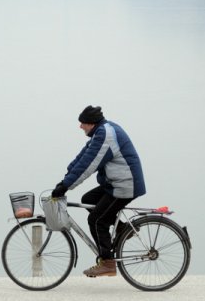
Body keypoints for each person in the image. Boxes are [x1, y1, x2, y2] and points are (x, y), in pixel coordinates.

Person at [51, 105, 146, 277]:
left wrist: (66, 186)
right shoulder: (102, 131)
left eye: (82, 123)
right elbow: (82, 157)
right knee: (89, 199)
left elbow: (89, 164)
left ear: (91, 123)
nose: (80, 127)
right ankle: (124, 229)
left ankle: (107, 263)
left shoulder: (105, 135)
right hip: (116, 182)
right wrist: (64, 179)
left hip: (125, 185)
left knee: (96, 220)